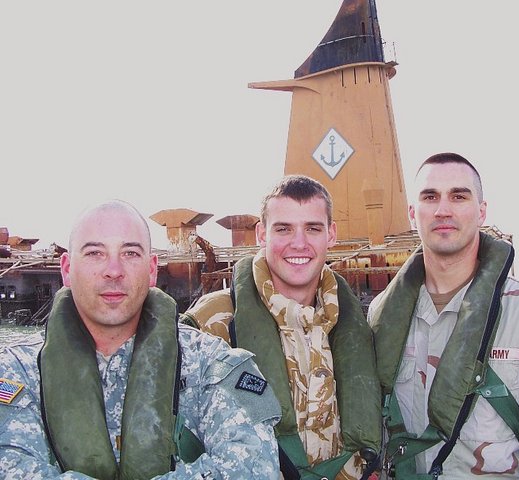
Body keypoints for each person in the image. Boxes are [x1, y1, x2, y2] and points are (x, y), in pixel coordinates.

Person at [0, 200, 281, 479]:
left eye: (131, 253)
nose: (113, 270)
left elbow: (255, 467)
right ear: (66, 269)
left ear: (151, 270)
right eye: (95, 253)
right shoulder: (16, 372)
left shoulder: (210, 365)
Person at [368, 153, 519, 479]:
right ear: (413, 213)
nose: (443, 209)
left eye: (459, 196)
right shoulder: (382, 317)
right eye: (430, 196)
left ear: (481, 211)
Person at [181, 175, 381, 480]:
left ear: (331, 235)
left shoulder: (355, 323)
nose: (298, 243)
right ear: (262, 234)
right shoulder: (215, 322)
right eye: (283, 229)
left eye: (312, 228)